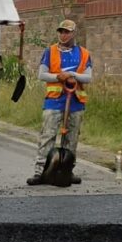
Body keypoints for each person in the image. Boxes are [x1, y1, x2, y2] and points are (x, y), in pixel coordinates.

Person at [27, 19, 92, 186]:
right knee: (47, 136)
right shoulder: (50, 51)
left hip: (76, 102)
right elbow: (42, 74)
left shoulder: (84, 53)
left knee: (71, 139)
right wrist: (58, 76)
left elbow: (88, 77)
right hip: (54, 101)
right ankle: (40, 171)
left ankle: (67, 170)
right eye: (61, 31)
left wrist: (72, 76)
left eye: (67, 32)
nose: (63, 35)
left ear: (74, 33)